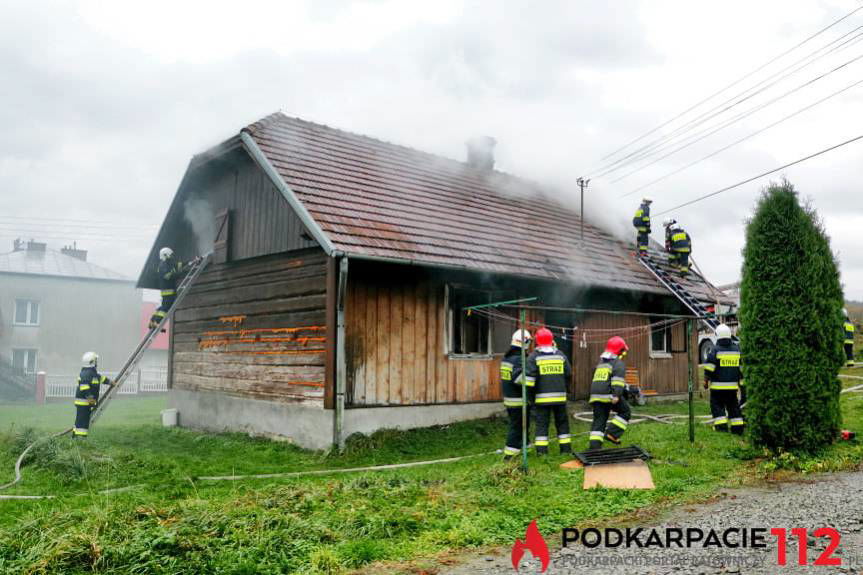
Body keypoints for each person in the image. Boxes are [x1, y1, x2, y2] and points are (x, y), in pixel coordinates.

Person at [525, 327, 572, 455]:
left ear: (537, 341)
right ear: (552, 340)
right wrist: (565, 389)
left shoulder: (533, 357)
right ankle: (566, 450)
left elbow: (528, 382)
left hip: (541, 400)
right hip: (560, 398)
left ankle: (542, 452)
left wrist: (530, 399)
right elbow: (568, 374)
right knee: (562, 424)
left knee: (542, 425)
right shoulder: (560, 355)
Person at [588, 336, 632, 449]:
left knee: (599, 420)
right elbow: (617, 381)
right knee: (625, 412)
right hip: (608, 395)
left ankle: (595, 447)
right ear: (620, 351)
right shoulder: (617, 363)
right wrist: (616, 395)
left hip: (595, 396)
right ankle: (612, 433)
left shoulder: (601, 362)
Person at [702, 324, 744, 434]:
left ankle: (721, 427)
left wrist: (705, 381)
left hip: (718, 389)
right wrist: (742, 384)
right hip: (732, 388)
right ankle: (738, 428)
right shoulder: (737, 350)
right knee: (733, 407)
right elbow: (741, 370)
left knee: (717, 407)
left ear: (718, 336)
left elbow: (709, 368)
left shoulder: (715, 350)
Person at [500, 329, 533, 460]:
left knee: (522, 424)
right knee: (517, 426)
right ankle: (510, 454)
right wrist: (532, 381)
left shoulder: (507, 358)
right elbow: (519, 379)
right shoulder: (519, 359)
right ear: (525, 342)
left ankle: (526, 446)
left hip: (510, 399)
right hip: (518, 400)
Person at [73, 352, 114, 438]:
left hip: (86, 403)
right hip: (83, 403)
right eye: (96, 361)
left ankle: (75, 436)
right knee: (83, 422)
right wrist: (90, 398)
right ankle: (81, 439)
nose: (97, 363)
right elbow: (84, 387)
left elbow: (101, 378)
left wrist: (110, 382)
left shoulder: (92, 373)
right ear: (92, 362)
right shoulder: (85, 374)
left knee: (80, 420)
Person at [148, 247, 191, 329]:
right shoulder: (163, 265)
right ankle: (157, 322)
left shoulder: (167, 264)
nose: (172, 257)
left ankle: (152, 321)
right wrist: (180, 273)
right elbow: (168, 276)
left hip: (167, 291)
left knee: (163, 307)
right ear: (165, 255)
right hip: (168, 291)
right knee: (166, 308)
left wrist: (189, 263)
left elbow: (178, 265)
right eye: (170, 255)